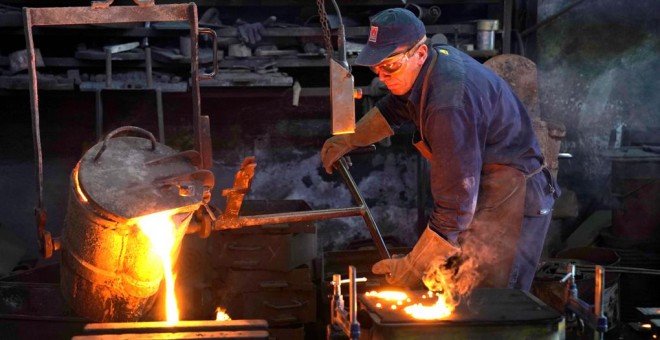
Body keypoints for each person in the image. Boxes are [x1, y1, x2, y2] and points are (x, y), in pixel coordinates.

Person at [320, 8, 560, 291]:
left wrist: (411, 267)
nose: (383, 77)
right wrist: (349, 138)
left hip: (515, 200)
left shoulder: (448, 105)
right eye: (376, 69)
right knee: (463, 291)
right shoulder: (433, 62)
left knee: (498, 304)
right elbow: (396, 105)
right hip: (487, 191)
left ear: (420, 53)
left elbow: (455, 208)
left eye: (391, 67)